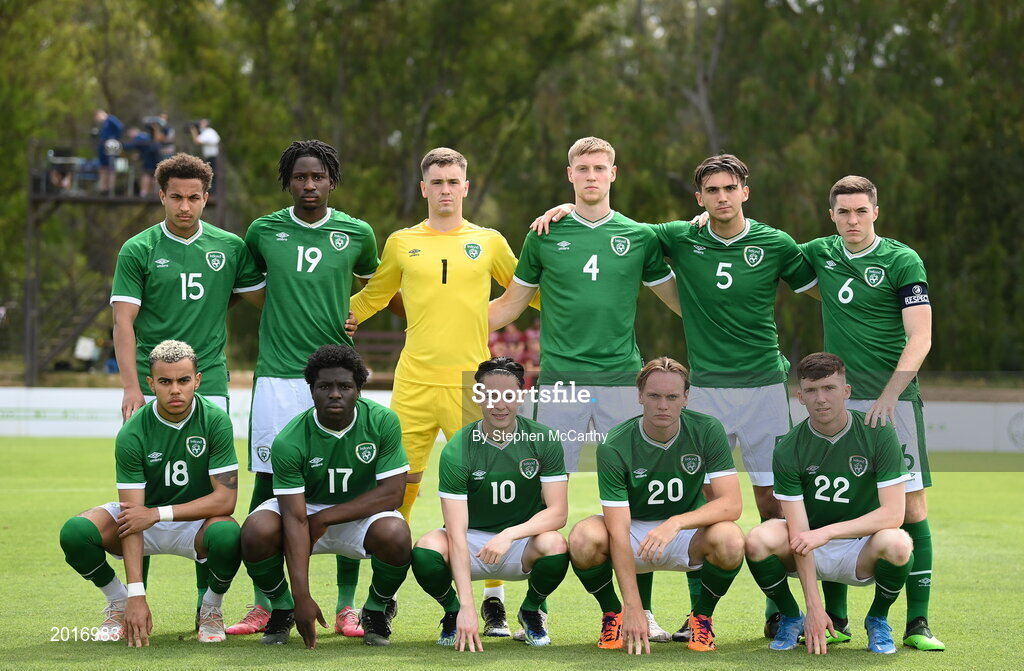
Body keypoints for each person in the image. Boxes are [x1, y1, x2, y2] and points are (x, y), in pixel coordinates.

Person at [530, 154, 819, 639]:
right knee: (699, 493)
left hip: (765, 386)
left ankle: (782, 609)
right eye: (712, 191)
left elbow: (822, 287)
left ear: (745, 191)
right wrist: (568, 208)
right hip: (704, 387)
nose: (722, 197)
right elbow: (609, 227)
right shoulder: (676, 236)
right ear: (699, 199)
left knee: (774, 502)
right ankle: (692, 618)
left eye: (731, 188)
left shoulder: (775, 242)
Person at [348, 147, 538, 635]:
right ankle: (382, 598)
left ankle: (492, 601)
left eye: (455, 181)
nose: (447, 189)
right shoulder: (401, 242)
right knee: (396, 494)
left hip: (471, 386)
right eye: (438, 181)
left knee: (488, 491)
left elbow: (526, 290)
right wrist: (328, 318)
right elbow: (372, 297)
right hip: (412, 383)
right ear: (424, 188)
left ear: (466, 187)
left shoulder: (489, 241)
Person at [233, 140, 382, 637]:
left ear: (332, 181)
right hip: (278, 375)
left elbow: (376, 286)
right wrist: (284, 313)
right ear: (288, 182)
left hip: (337, 374)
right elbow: (250, 289)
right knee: (266, 482)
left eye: (318, 177)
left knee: (349, 481)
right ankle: (266, 602)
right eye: (300, 177)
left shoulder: (357, 232)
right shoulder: (262, 231)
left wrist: (352, 313)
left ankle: (345, 606)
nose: (309, 185)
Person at [799, 176, 942, 650]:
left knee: (912, 508)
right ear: (832, 215)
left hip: (894, 401)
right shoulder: (821, 252)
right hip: (838, 401)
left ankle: (916, 622)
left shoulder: (902, 260)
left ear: (875, 211)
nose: (853, 220)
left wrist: (891, 393)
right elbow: (754, 244)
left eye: (861, 211)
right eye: (844, 212)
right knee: (836, 503)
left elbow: (920, 336)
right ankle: (835, 619)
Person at [58, 341, 242, 645]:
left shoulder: (215, 420)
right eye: (165, 382)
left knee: (229, 536)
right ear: (150, 383)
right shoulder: (133, 431)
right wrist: (135, 595)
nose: (175, 390)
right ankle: (117, 603)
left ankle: (211, 608)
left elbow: (226, 499)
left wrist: (157, 514)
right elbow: (132, 515)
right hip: (141, 518)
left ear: (197, 380)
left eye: (183, 381)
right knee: (76, 532)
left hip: (192, 522)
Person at [239, 344, 411, 648]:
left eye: (344, 386)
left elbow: (393, 494)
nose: (335, 394)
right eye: (325, 386)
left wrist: (325, 517)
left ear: (358, 389)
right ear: (312, 390)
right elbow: (293, 516)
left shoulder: (382, 421)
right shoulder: (290, 440)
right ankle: (282, 606)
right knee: (256, 530)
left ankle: (374, 609)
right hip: (303, 511)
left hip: (359, 512)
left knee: (396, 533)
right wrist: (301, 596)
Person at [569, 357, 744, 653]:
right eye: (654, 396)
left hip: (685, 532)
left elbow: (732, 504)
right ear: (640, 396)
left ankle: (701, 617)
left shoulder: (707, 430)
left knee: (730, 539)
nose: (663, 405)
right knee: (582, 538)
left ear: (685, 398)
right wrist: (633, 605)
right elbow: (617, 528)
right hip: (633, 531)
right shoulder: (614, 444)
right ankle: (614, 614)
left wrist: (674, 523)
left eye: (672, 397)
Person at [746, 352, 914, 655]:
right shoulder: (788, 447)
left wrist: (827, 532)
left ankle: (878, 619)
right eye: (811, 390)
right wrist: (814, 607)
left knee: (899, 543)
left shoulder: (878, 432)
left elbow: (894, 513)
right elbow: (798, 532)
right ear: (800, 396)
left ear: (846, 391)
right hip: (807, 545)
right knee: (758, 539)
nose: (820, 399)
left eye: (829, 388)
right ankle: (791, 616)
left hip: (860, 548)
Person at [411, 357, 570, 650]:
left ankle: (531, 610)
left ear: (521, 397)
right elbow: (456, 533)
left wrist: (509, 534)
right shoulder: (458, 447)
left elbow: (558, 512)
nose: (500, 404)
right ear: (479, 397)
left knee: (556, 545)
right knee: (425, 550)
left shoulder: (543, 438)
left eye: (509, 395)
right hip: (470, 542)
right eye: (492, 395)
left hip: (521, 541)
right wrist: (467, 607)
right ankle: (452, 610)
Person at [111, 152, 265, 420]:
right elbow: (122, 322)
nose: (185, 207)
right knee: (151, 461)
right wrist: (130, 387)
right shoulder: (137, 249)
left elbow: (267, 301)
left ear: (205, 199)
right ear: (162, 197)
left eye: (193, 198)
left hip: (209, 379)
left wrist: (336, 315)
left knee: (213, 461)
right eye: (176, 197)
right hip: (152, 381)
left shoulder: (231, 247)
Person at [123, 127, 159, 196]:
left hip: (150, 158)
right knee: (153, 175)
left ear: (134, 132)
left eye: (130, 134)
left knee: (147, 174)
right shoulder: (145, 136)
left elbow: (130, 146)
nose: (131, 137)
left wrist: (121, 144)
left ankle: (144, 193)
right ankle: (152, 193)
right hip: (155, 157)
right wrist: (140, 156)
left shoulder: (139, 137)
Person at [94, 109, 124, 194]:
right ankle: (103, 188)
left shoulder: (110, 119)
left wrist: (114, 138)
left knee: (111, 166)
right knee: (103, 167)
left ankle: (110, 188)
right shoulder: (104, 124)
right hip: (103, 147)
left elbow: (120, 127)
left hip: (110, 147)